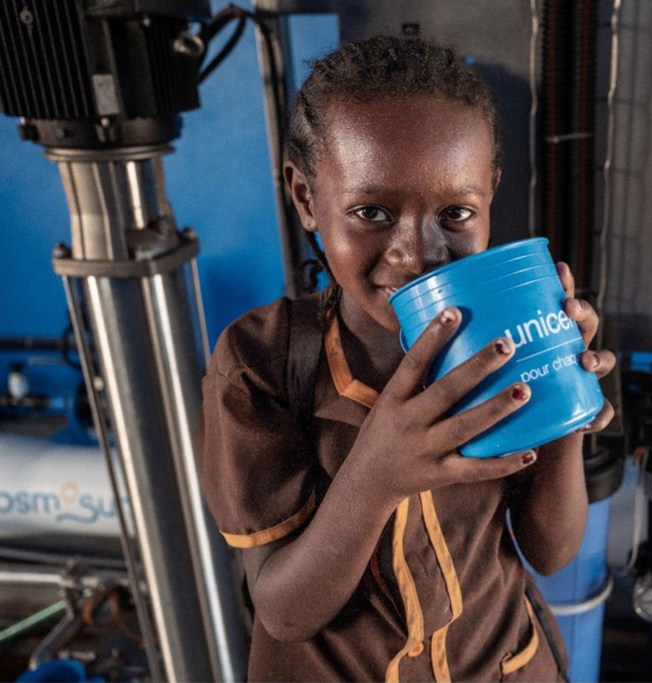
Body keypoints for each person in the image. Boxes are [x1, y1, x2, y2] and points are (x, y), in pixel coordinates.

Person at [198, 36, 616, 682]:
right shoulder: (260, 362)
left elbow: (551, 551)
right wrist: (378, 474)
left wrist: (566, 404)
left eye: (456, 212)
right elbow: (282, 611)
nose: (417, 253)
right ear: (307, 197)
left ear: (491, 196)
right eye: (371, 211)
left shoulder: (506, 339)